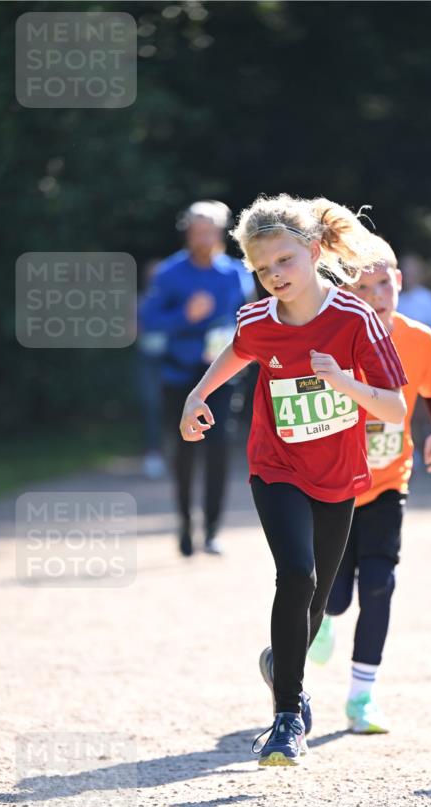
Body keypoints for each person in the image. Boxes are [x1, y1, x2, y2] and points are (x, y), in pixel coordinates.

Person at [179, 195, 408, 766]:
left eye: (283, 261)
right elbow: (238, 352)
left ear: (311, 252)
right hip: (275, 466)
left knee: (317, 596)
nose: (274, 276)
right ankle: (287, 716)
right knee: (297, 575)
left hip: (337, 473)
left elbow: (396, 410)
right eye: (262, 269)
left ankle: (283, 666)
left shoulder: (354, 318)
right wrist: (198, 394)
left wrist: (344, 383)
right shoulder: (257, 319)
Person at [308, 236, 431, 734]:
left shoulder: (420, 338)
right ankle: (324, 614)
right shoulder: (335, 340)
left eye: (384, 283)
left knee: (380, 584)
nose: (378, 294)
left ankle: (361, 697)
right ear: (349, 293)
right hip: (338, 486)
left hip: (390, 480)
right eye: (364, 287)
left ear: (399, 282)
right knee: (338, 595)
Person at [139, 201, 248, 556]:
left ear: (220, 233)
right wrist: (186, 316)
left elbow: (246, 320)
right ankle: (185, 524)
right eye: (196, 230)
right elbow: (150, 321)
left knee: (219, 450)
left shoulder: (235, 273)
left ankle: (213, 530)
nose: (203, 236)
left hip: (221, 376)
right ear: (188, 232)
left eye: (209, 230)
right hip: (179, 375)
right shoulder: (169, 273)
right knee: (185, 453)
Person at [136, 259, 168, 480]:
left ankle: (178, 451)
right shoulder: (140, 301)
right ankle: (153, 453)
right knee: (151, 403)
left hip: (172, 358)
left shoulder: (173, 300)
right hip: (147, 359)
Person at [397, 253, 431, 345]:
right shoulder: (392, 299)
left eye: (412, 273)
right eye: (406, 272)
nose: (408, 276)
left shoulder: (429, 299)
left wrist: (423, 339)